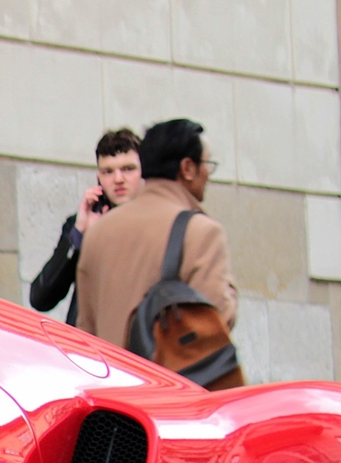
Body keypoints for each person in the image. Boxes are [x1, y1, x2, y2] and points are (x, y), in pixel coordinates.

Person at [74, 117, 236, 356]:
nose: (208, 174)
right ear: (188, 168)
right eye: (207, 164)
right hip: (171, 389)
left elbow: (85, 330)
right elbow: (216, 324)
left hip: (112, 387)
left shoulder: (97, 232)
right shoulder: (201, 232)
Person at [28, 127, 142, 326]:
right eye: (108, 172)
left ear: (144, 172)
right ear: (99, 178)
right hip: (88, 349)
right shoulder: (81, 225)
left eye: (128, 169)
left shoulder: (159, 225)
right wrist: (79, 235)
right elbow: (41, 297)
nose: (118, 179)